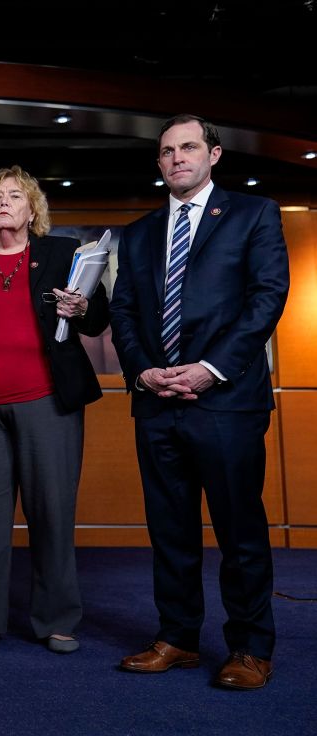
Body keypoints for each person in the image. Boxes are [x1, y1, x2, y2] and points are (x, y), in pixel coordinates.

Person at [110, 115, 289, 690]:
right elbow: (125, 315)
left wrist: (210, 370)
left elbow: (266, 298)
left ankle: (250, 648)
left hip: (227, 402)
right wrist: (143, 372)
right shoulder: (137, 233)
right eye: (166, 151)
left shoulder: (252, 215)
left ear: (213, 155)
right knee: (170, 529)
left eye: (188, 147)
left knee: (239, 531)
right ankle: (179, 638)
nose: (176, 158)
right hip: (158, 401)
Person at [0, 166, 110, 655]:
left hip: (49, 404)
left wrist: (80, 309)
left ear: (31, 209)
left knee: (52, 514)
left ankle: (56, 620)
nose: (4, 203)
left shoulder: (62, 254)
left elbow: (99, 318)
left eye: (15, 196)